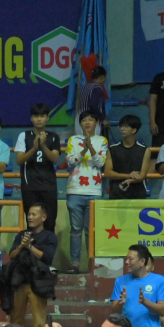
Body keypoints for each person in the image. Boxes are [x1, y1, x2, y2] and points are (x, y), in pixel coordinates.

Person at [5, 205, 58, 327]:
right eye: (29, 214)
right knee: (15, 320)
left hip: (38, 283)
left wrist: (29, 247)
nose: (30, 217)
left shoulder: (49, 236)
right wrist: (22, 245)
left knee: (39, 322)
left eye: (34, 214)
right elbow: (12, 255)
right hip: (19, 282)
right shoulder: (21, 235)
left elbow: (46, 258)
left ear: (43, 217)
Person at [65, 112, 109, 274]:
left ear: (97, 123)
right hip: (75, 190)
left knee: (92, 229)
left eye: (91, 119)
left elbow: (100, 162)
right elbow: (70, 162)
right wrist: (83, 150)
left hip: (94, 190)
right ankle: (75, 263)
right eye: (84, 120)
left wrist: (91, 147)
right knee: (75, 229)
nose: (87, 122)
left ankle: (93, 263)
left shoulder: (102, 141)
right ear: (80, 124)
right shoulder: (73, 140)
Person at [14, 104, 61, 233]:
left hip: (48, 186)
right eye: (36, 116)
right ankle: (31, 252)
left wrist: (43, 146)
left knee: (50, 222)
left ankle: (47, 253)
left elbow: (55, 159)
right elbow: (19, 160)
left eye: (42, 116)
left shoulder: (53, 137)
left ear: (47, 118)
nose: (39, 119)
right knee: (32, 224)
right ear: (31, 118)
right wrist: (34, 148)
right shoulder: (23, 136)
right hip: (30, 186)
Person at [105, 115, 151, 200]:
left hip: (138, 195)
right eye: (121, 126)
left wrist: (129, 181)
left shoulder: (144, 150)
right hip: (116, 194)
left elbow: (142, 176)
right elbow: (108, 172)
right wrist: (128, 176)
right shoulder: (112, 149)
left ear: (134, 130)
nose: (122, 129)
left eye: (126, 126)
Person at [75, 66, 109, 137]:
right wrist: (103, 119)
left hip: (80, 120)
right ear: (102, 77)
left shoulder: (84, 87)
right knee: (93, 143)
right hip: (91, 121)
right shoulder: (97, 88)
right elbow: (92, 105)